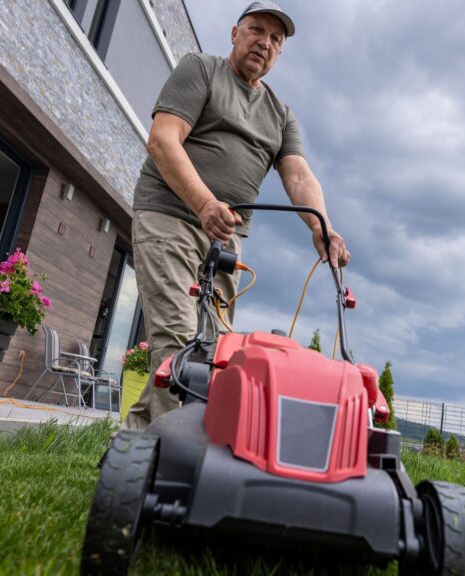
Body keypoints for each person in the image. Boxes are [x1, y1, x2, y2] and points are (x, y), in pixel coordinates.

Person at [124, 1, 349, 430]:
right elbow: (163, 139)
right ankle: (181, 464)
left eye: (275, 39)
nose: (264, 42)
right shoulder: (202, 70)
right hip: (170, 216)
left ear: (280, 52)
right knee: (177, 341)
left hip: (225, 240)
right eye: (256, 30)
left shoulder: (281, 116)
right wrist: (205, 203)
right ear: (234, 33)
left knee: (208, 353)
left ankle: (134, 450)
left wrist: (323, 227)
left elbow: (299, 176)